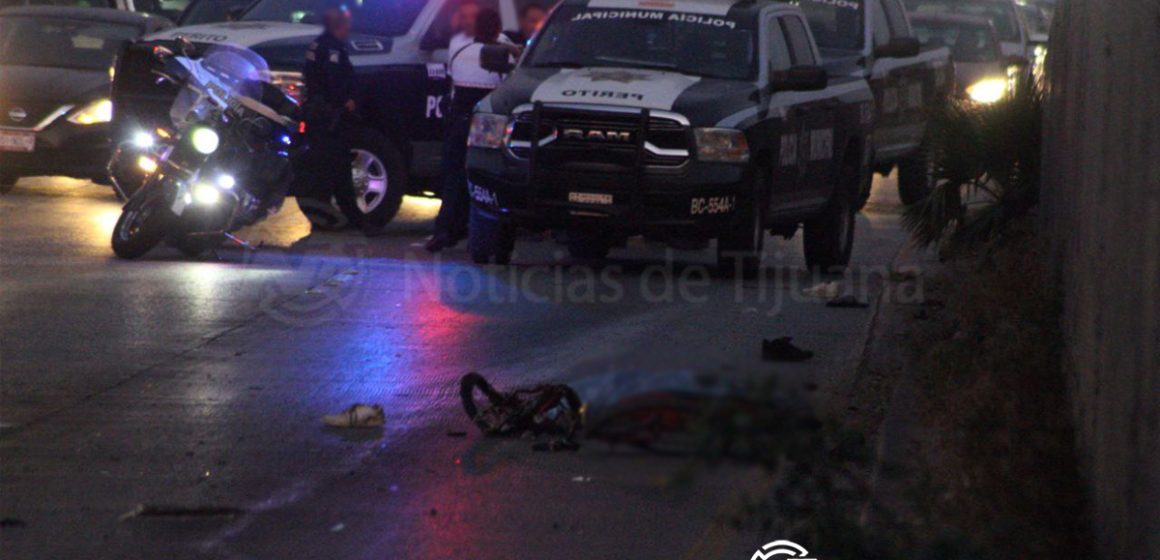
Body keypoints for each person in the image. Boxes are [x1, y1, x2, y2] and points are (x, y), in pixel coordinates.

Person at [427, 8, 519, 252]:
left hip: (459, 116)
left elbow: (451, 77)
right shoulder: (506, 49)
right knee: (484, 175)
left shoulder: (458, 43)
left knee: (454, 175)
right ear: (498, 29)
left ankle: (444, 230)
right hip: (487, 120)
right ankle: (480, 232)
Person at [299, 5, 362, 232]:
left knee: (325, 171)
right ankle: (351, 220)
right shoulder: (332, 49)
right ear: (339, 25)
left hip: (320, 118)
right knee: (336, 170)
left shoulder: (317, 45)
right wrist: (346, 101)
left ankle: (329, 219)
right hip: (330, 119)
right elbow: (333, 81)